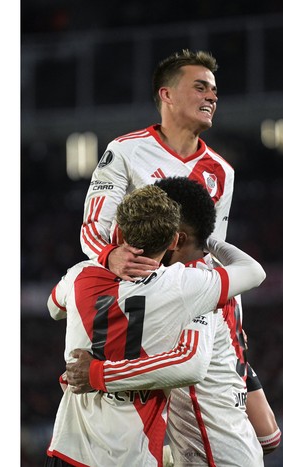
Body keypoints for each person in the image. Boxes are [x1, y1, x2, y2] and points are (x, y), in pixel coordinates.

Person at [45, 184, 266, 467]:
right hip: (133, 457)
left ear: (120, 233)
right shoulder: (183, 287)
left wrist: (105, 256)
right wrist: (207, 240)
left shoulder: (81, 275)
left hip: (68, 449)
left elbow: (54, 307)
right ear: (174, 240)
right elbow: (253, 272)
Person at [79, 48, 233, 282]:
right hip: (131, 291)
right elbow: (93, 228)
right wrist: (109, 255)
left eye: (214, 91)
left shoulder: (222, 172)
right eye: (200, 88)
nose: (212, 97)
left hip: (186, 299)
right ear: (167, 95)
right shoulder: (125, 150)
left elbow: (215, 250)